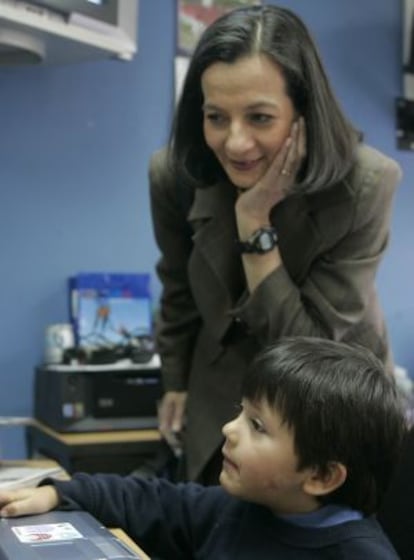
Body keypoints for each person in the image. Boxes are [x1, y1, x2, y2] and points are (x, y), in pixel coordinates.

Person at [150, 4, 402, 484]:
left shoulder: (366, 185)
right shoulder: (175, 176)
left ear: (303, 113)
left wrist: (254, 222)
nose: (236, 143)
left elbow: (306, 347)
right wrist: (175, 383)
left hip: (330, 408)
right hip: (220, 404)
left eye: (260, 118)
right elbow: (179, 289)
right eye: (216, 117)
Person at [0, 338, 406, 559]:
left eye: (257, 426)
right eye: (240, 413)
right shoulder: (240, 510)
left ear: (320, 476)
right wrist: (62, 492)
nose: (229, 429)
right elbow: (154, 501)